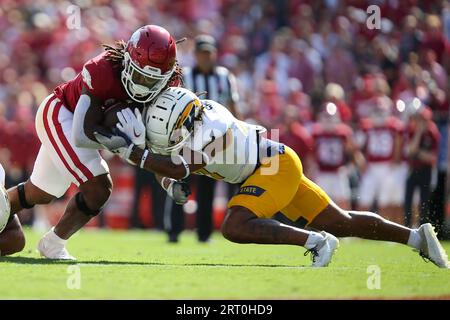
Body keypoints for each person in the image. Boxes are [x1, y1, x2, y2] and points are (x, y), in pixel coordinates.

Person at [98, 87, 449, 268]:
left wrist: (134, 154)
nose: (169, 136)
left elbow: (178, 165)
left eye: (173, 130)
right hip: (271, 163)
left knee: (235, 223)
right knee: (340, 221)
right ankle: (417, 238)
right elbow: (174, 169)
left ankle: (316, 242)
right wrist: (169, 184)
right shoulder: (191, 123)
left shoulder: (212, 123)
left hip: (272, 165)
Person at [0, 25, 181, 259]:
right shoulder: (103, 69)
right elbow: (82, 132)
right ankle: (53, 244)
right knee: (98, 187)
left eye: (152, 80)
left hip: (87, 128)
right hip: (63, 114)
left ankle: (7, 214)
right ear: (127, 60)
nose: (144, 85)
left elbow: (155, 148)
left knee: (42, 192)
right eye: (139, 75)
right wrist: (124, 146)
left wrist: (168, 182)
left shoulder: (169, 87)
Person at [166, 34, 240, 243]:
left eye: (209, 53)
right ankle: (174, 230)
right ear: (196, 54)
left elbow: (233, 107)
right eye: (202, 53)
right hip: (187, 137)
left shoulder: (224, 77)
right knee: (180, 180)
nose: (205, 57)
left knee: (208, 187)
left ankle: (204, 233)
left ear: (214, 54)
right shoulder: (185, 75)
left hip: (214, 140)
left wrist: (237, 132)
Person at [404, 105, 440, 227]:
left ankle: (422, 227)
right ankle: (407, 226)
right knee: (408, 200)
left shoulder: (432, 132)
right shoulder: (413, 131)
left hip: (426, 170)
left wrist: (418, 153)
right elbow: (410, 151)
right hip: (413, 169)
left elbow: (432, 158)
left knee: (424, 202)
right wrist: (418, 133)